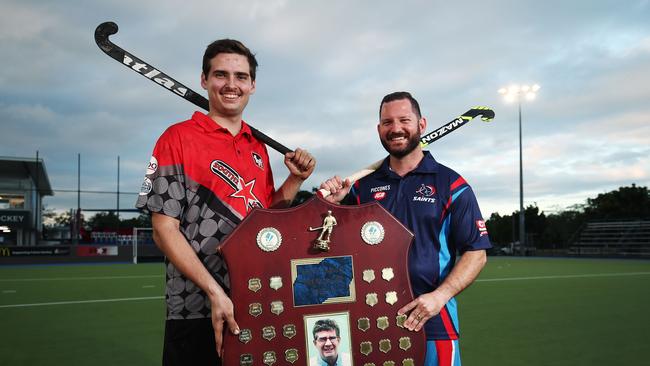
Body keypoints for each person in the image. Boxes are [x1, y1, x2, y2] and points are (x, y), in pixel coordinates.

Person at [135, 39, 315, 365]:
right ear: (204, 80)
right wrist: (214, 291)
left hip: (255, 302)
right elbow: (164, 230)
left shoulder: (257, 148)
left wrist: (295, 181)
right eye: (221, 75)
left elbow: (265, 224)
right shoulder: (177, 138)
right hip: (194, 310)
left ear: (253, 85)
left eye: (241, 76)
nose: (231, 84)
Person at [320, 91, 490, 366]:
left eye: (404, 120)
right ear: (379, 130)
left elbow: (477, 252)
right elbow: (330, 244)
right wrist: (333, 205)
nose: (395, 128)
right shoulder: (362, 188)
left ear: (422, 125)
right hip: (370, 322)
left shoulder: (452, 185)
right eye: (387, 122)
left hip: (433, 322)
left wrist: (439, 297)